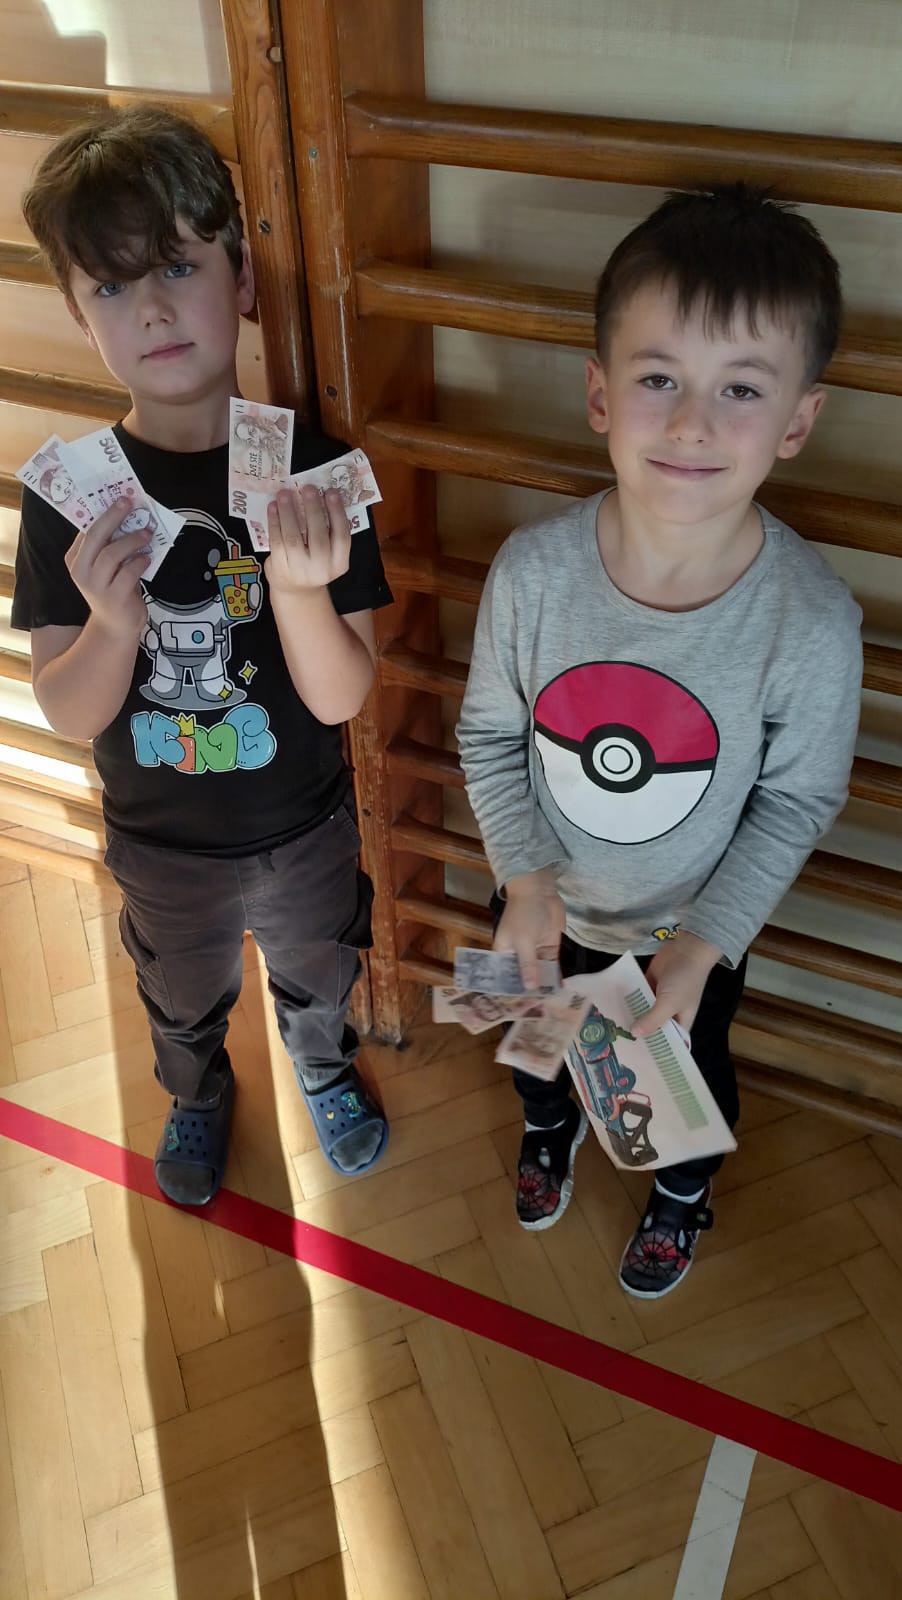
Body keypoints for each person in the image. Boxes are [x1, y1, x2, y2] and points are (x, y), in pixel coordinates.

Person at [456, 184, 862, 1298]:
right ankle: (548, 1128)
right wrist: (522, 882)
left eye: (741, 389)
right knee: (534, 1051)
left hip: (687, 936)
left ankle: (682, 1192)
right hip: (534, 900)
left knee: (680, 1084)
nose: (691, 422)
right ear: (600, 393)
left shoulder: (808, 621)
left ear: (796, 422)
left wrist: (703, 945)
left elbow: (795, 800)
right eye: (658, 379)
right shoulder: (531, 573)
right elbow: (488, 735)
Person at [13, 105, 394, 1205]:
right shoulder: (69, 503)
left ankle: (321, 1063)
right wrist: (113, 625)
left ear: (241, 276)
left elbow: (343, 696)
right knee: (178, 994)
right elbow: (69, 711)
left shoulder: (314, 475)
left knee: (319, 968)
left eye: (178, 265)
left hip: (305, 826)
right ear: (78, 314)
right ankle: (197, 1086)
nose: (152, 307)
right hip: (158, 844)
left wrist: (296, 589)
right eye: (112, 286)